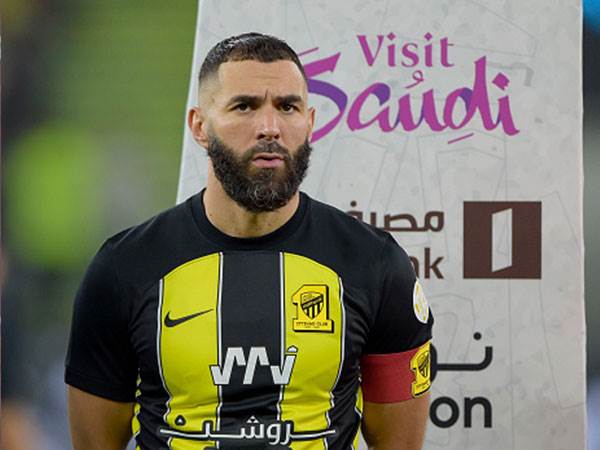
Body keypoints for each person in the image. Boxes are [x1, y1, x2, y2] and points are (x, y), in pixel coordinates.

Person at [65, 32, 434, 450]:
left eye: (288, 107)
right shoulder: (123, 269)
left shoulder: (375, 265)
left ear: (310, 123)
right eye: (244, 106)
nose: (269, 128)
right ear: (200, 126)